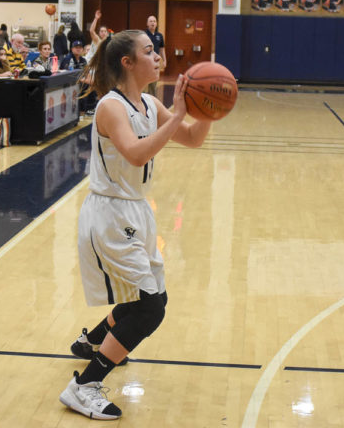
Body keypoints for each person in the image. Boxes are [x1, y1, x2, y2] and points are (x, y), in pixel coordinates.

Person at [59, 30, 212, 420]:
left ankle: (92, 342)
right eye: (149, 51)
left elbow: (192, 138)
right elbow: (136, 153)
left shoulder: (146, 102)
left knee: (143, 299)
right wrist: (177, 112)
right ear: (127, 62)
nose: (158, 56)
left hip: (136, 211)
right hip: (110, 215)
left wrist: (208, 111)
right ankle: (84, 386)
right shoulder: (111, 106)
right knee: (150, 309)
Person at [144, 15, 165, 95]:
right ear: (147, 24)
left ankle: (152, 101)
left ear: (156, 23)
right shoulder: (144, 34)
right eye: (151, 21)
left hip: (155, 62)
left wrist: (164, 60)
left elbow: (162, 49)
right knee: (145, 83)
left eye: (154, 21)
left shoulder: (159, 36)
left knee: (154, 83)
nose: (153, 23)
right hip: (146, 61)